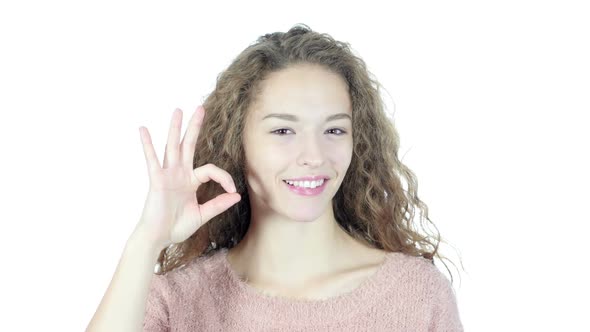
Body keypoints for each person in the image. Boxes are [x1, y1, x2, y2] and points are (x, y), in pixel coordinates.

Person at [86, 23, 464, 331]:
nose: (314, 156)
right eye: (283, 131)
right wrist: (146, 240)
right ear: (239, 142)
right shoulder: (176, 300)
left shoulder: (417, 297)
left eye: (334, 130)